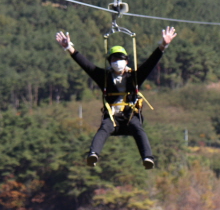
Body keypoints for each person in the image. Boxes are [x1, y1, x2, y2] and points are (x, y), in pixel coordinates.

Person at [55, 26, 177, 170]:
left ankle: (147, 157)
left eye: (120, 58)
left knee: (137, 127)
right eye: (114, 58)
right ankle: (93, 154)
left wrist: (163, 45)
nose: (117, 61)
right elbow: (85, 64)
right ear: (110, 61)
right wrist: (68, 47)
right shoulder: (104, 77)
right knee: (104, 128)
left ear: (126, 61)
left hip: (130, 115)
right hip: (112, 116)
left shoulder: (134, 77)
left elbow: (151, 62)